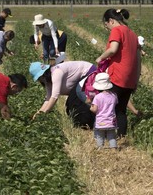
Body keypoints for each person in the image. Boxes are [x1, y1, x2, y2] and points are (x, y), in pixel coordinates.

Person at [95, 8, 141, 137]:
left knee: (107, 107)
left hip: (118, 76)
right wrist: (135, 80)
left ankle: (105, 135)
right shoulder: (133, 34)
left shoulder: (117, 30)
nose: (108, 28)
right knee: (121, 110)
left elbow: (112, 49)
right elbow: (138, 60)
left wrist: (100, 58)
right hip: (130, 79)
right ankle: (121, 136)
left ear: (111, 21)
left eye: (107, 26)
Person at [29, 61, 96, 124]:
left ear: (44, 73)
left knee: (76, 100)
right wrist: (38, 113)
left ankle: (95, 117)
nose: (40, 80)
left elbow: (54, 97)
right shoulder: (47, 80)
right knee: (71, 104)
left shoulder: (56, 73)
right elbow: (48, 99)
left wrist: (44, 114)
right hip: (83, 75)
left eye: (40, 77)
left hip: (89, 72)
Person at [90, 73, 118, 149]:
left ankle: (100, 148)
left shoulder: (97, 97)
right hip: (111, 121)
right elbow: (115, 104)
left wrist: (91, 107)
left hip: (101, 121)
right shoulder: (114, 95)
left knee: (100, 136)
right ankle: (113, 148)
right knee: (112, 136)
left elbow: (94, 109)